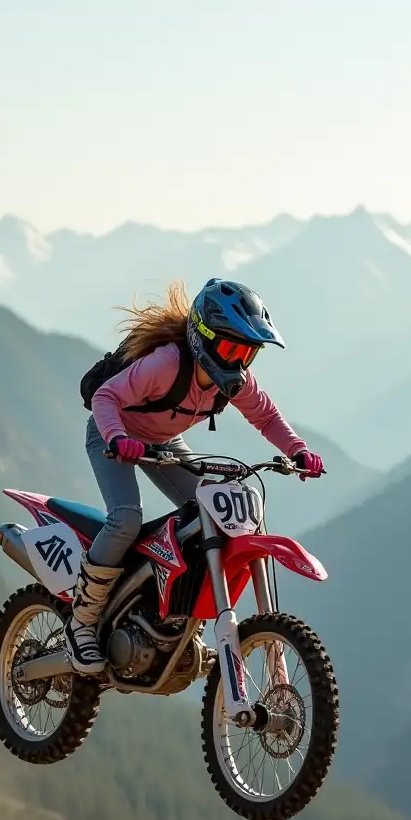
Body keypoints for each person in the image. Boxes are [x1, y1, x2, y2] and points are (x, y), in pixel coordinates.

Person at [65, 277, 324, 675]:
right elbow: (106, 397)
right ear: (203, 337)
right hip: (112, 433)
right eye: (231, 348)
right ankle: (82, 622)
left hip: (163, 443)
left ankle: (176, 617)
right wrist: (117, 437)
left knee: (212, 516)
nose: (238, 361)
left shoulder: (233, 380)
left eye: (247, 353)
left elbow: (267, 416)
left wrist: (298, 450)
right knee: (125, 519)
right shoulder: (166, 364)